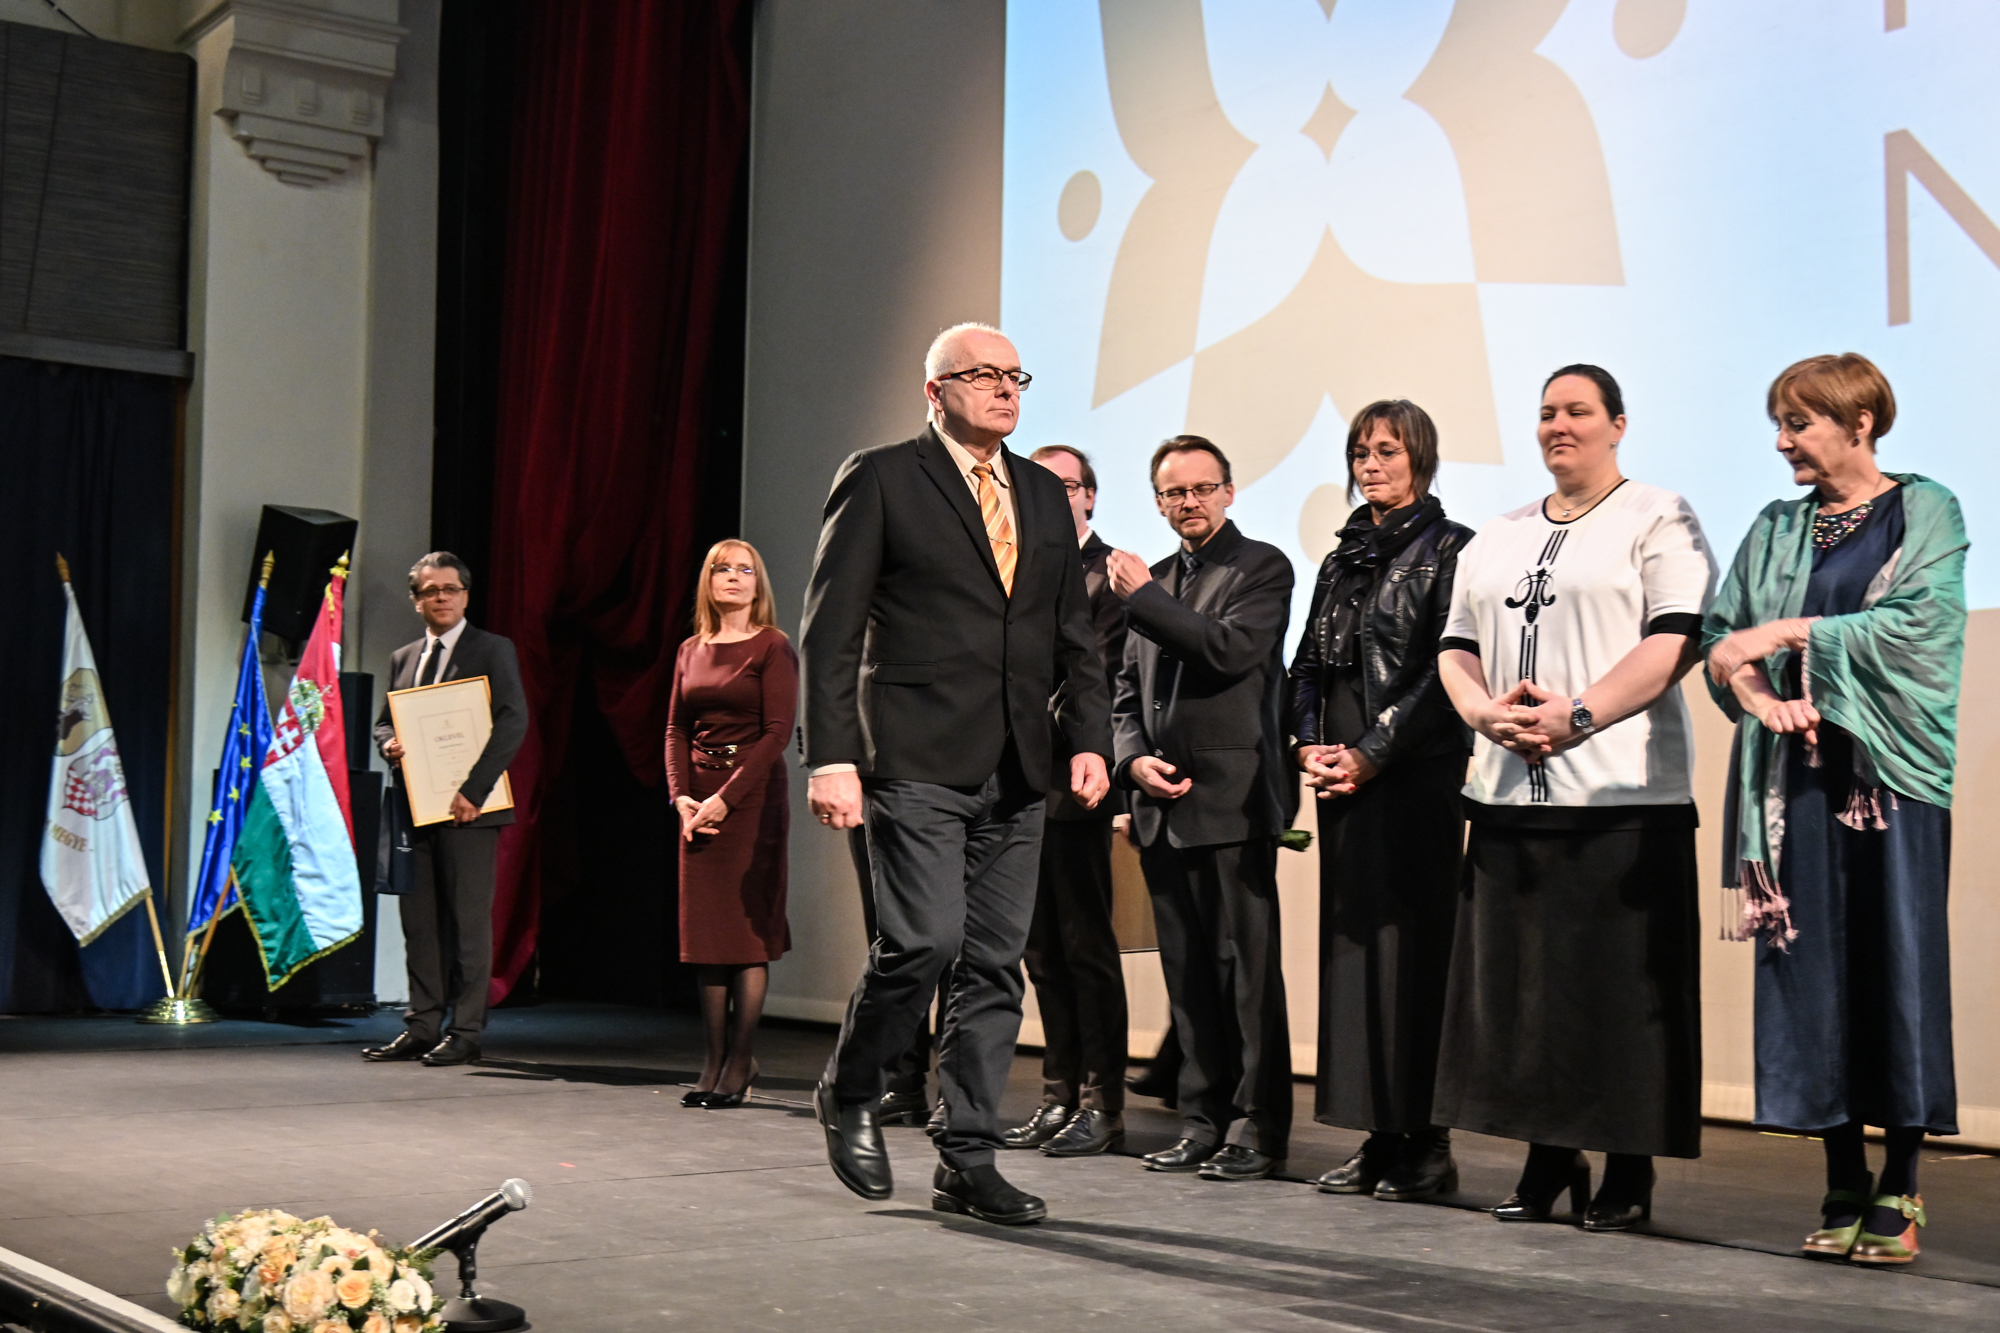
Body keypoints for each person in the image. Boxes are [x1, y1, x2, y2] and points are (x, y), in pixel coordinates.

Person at [800, 321, 1112, 1227]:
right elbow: (831, 628)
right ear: (935, 392)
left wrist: (1088, 737)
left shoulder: (1042, 493)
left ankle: (968, 1154)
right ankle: (850, 1085)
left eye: (1016, 376)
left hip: (1019, 764)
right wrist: (831, 756)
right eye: (983, 375)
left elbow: (1072, 633)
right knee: (923, 942)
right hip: (914, 755)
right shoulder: (882, 477)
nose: (1006, 389)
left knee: (993, 965)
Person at [1432, 365, 1715, 1231]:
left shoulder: (1657, 515)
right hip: (1508, 797)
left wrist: (1579, 714)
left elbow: (1677, 639)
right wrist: (1481, 712)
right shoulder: (1497, 534)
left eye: (1579, 411)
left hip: (1621, 797)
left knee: (1618, 995)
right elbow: (1456, 644)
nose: (1560, 424)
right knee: (1525, 997)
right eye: (1547, 411)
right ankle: (1548, 1156)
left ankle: (1629, 1165)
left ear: (1617, 424)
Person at [1702, 353, 1965, 1265]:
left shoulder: (1925, 510)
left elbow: (1922, 626)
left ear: (1860, 422)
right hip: (1796, 783)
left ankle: (1903, 1182)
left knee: (1895, 966)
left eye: (1800, 423)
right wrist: (1759, 696)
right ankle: (1843, 1175)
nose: (1783, 442)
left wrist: (1785, 634)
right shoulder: (1777, 526)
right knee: (1812, 971)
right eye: (1778, 424)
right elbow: (1722, 639)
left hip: (1889, 782)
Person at [1286, 400, 1473, 1201]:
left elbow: (1446, 671)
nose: (1371, 463)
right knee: (1357, 959)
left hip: (1415, 774)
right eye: (1361, 451)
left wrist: (1372, 750)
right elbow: (1306, 664)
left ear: (1419, 458)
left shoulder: (1452, 547)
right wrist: (1307, 743)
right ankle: (1378, 1135)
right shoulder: (1342, 557)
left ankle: (1427, 1144)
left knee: (1415, 957)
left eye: (1387, 450)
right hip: (1344, 778)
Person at [1108, 435, 1295, 1182]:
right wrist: (1131, 761)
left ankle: (1257, 1127)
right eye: (1174, 492)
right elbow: (1127, 691)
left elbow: (1227, 652)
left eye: (1201, 488)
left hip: (1232, 800)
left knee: (1247, 976)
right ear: (1158, 502)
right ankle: (1201, 1120)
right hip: (1161, 803)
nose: (1189, 502)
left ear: (1229, 492)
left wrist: (1143, 601)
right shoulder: (1153, 580)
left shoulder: (1262, 567)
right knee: (1187, 978)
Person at [1001, 444, 1131, 1157]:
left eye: (1067, 485)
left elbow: (1090, 677)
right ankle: (1057, 1095)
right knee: (1041, 950)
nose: (1054, 496)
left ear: (1090, 497)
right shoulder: (1020, 567)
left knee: (1086, 947)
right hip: (1024, 781)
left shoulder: (1109, 576)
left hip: (1077, 779)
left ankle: (1101, 1104)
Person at [363, 552, 527, 1067]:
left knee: (468, 925)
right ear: (416, 601)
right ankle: (422, 1025)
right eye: (431, 590)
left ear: (465, 596)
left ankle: (467, 1030)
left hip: (470, 811)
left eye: (450, 589)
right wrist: (388, 744)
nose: (442, 598)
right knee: (419, 924)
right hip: (415, 807)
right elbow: (385, 722)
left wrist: (474, 791)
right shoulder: (404, 657)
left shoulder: (492, 649)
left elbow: (513, 720)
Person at [665, 539, 797, 1109]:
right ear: (709, 581)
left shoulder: (772, 646)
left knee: (745, 935)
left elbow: (778, 732)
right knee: (707, 937)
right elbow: (675, 729)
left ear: (757, 583)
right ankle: (713, 1061)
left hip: (751, 799)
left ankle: (740, 1062)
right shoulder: (690, 649)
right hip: (698, 801)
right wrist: (682, 797)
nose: (735, 578)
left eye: (745, 570)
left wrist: (726, 798)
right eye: (723, 569)